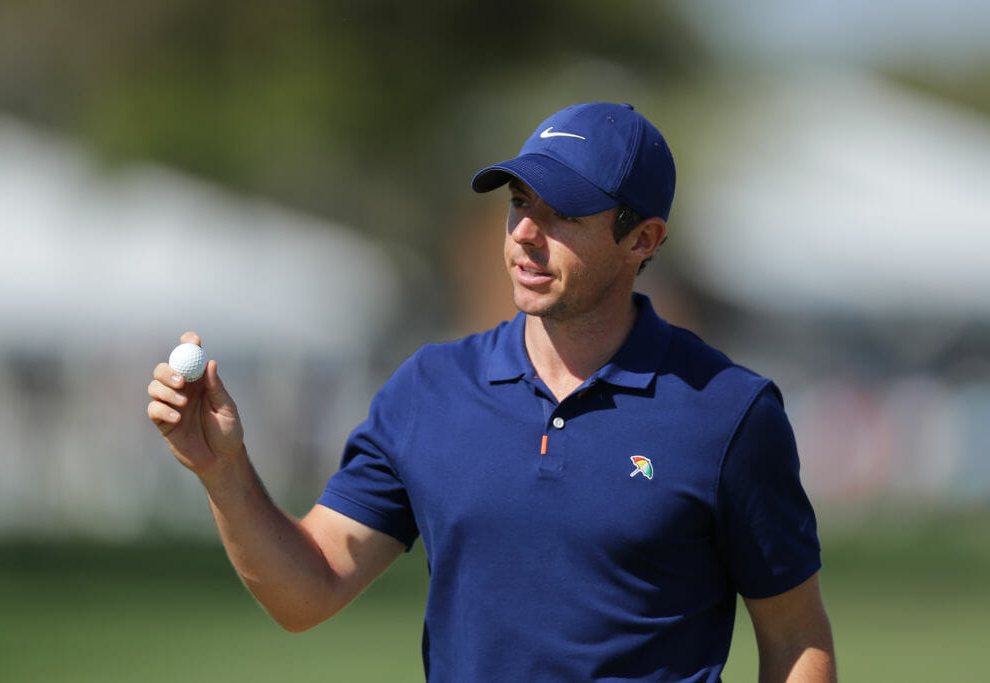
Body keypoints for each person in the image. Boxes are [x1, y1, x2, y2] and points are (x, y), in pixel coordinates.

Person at [147, 102, 835, 682]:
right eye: (518, 204)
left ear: (642, 239)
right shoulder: (427, 391)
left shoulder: (728, 411)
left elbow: (795, 636)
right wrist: (223, 472)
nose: (524, 234)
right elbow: (306, 591)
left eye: (563, 213)